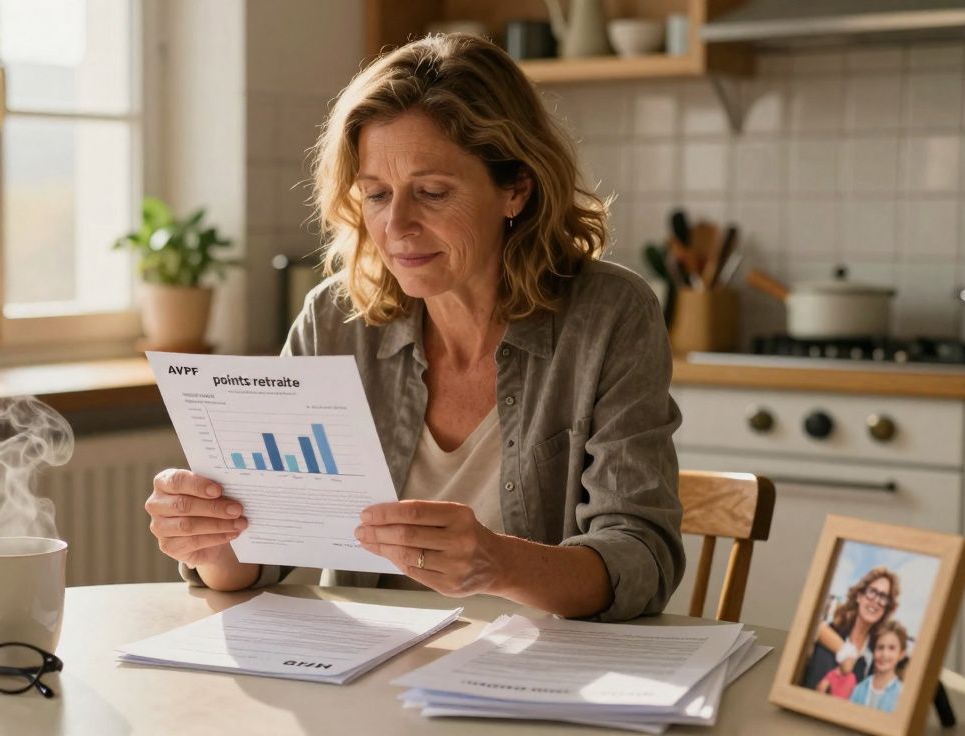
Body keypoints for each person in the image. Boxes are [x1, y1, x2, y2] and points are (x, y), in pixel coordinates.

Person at [145, 33, 683, 621]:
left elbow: (642, 559)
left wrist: (499, 562)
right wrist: (212, 539)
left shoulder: (609, 316)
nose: (396, 225)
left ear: (516, 190)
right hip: (365, 675)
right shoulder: (335, 320)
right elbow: (263, 554)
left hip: (538, 677)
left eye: (431, 192)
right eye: (376, 194)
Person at [802, 566, 900, 690]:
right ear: (859, 596)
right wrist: (845, 651)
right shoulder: (829, 633)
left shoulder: (875, 656)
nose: (875, 600)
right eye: (872, 592)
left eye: (883, 597)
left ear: (886, 608)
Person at [850, 620, 907, 713]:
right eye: (880, 647)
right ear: (874, 651)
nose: (884, 654)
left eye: (891, 648)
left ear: (901, 654)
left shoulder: (902, 695)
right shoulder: (858, 689)